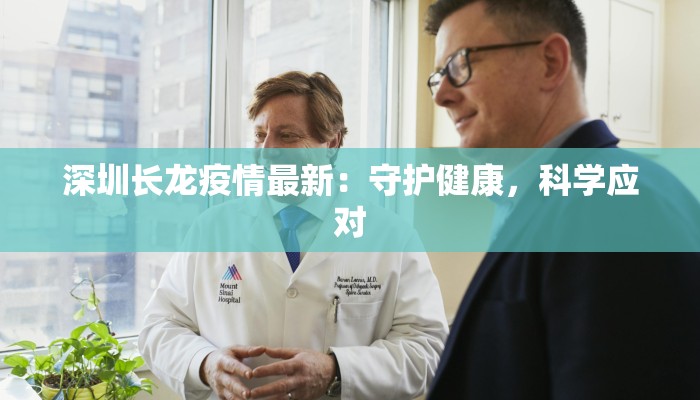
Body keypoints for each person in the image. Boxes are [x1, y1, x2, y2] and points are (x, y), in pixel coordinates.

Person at [424, 0, 700, 399]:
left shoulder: (613, 207)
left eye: (460, 64)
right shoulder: (549, 200)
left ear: (550, 62)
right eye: (438, 76)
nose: (442, 95)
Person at [139, 71, 448, 400]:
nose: (267, 151)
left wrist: (337, 371)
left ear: (332, 144)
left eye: (287, 136)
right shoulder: (211, 229)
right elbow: (159, 327)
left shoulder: (391, 237)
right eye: (260, 136)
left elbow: (427, 348)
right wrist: (205, 364)